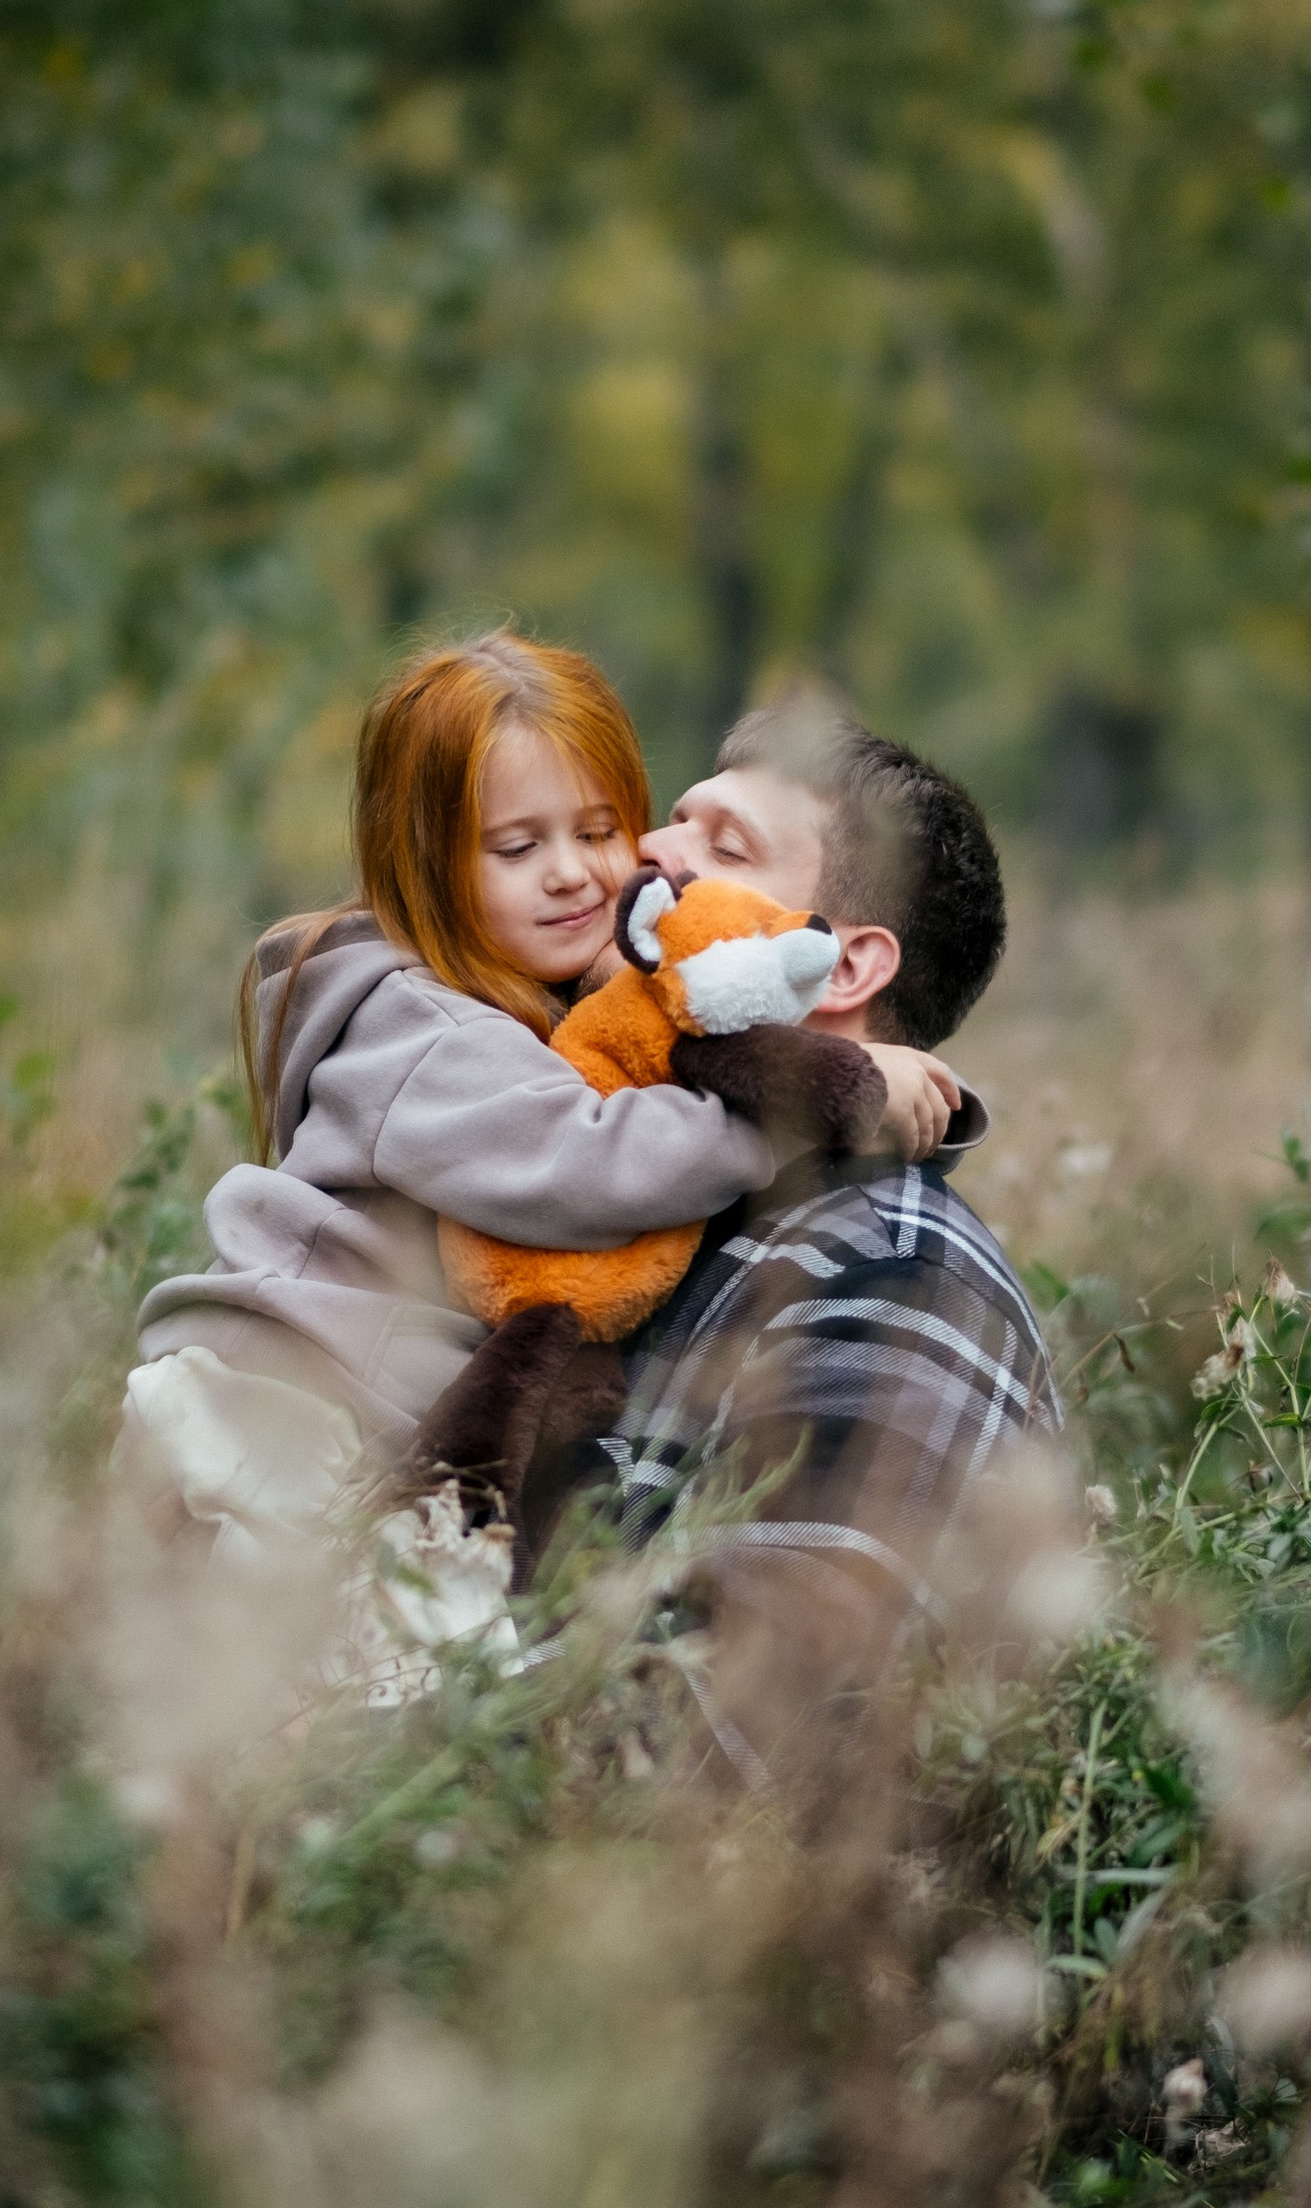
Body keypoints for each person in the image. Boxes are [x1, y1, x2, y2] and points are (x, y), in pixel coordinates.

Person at [123, 634, 958, 1605]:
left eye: (600, 831)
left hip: (349, 1416)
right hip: (278, 1405)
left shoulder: (552, 1007)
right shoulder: (425, 1031)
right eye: (518, 848)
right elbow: (586, 1168)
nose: (575, 874)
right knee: (338, 1670)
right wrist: (813, 1099)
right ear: (425, 866)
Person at [569, 691, 1062, 1732]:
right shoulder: (641, 1199)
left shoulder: (892, 1278)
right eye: (673, 818)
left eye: (724, 846)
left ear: (840, 964)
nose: (647, 849)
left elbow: (755, 1732)